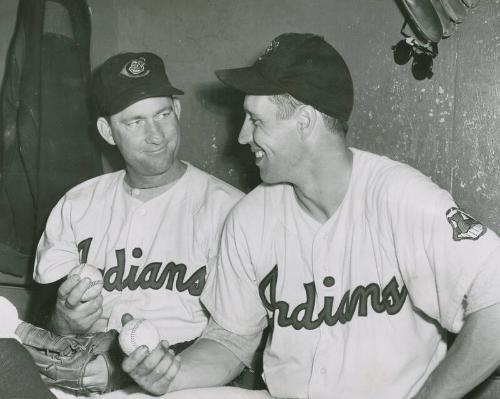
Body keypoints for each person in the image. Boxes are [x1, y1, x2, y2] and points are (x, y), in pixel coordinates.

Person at [117, 33, 500, 399]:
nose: (242, 137)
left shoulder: (401, 198)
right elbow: (231, 339)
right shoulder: (252, 216)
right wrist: (172, 374)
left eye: (256, 120)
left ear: (305, 121)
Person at [32, 51, 242, 395]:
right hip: (82, 374)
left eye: (163, 114)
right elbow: (47, 325)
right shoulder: (77, 204)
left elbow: (236, 340)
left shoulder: (230, 210)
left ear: (178, 111)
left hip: (184, 381)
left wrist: (123, 371)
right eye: (135, 122)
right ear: (107, 130)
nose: (156, 135)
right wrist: (64, 321)